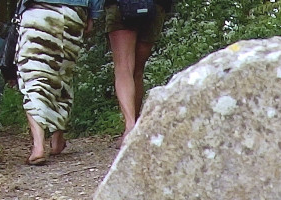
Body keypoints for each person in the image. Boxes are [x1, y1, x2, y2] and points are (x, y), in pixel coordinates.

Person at [14, 0, 100, 165]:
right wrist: (94, 13)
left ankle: (38, 146)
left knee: (33, 75)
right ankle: (57, 139)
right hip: (75, 13)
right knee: (63, 74)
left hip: (39, 11)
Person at [106, 0, 171, 140]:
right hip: (154, 7)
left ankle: (130, 125)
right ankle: (135, 127)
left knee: (124, 68)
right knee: (137, 70)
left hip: (119, 5)